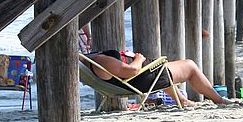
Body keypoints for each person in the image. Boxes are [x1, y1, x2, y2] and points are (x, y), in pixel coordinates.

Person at [84, 49, 234, 107]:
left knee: (164, 72)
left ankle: (183, 101)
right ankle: (218, 100)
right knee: (190, 66)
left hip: (140, 79)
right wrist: (139, 58)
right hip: (143, 80)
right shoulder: (100, 60)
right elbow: (131, 71)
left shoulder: (88, 61)